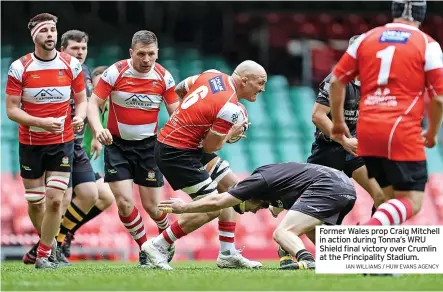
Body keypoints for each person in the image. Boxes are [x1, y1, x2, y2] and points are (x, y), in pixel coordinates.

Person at [142, 61, 267, 270]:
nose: (262, 88)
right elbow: (211, 145)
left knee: (232, 190)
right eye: (260, 82)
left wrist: (190, 115)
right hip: (176, 153)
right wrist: (231, 134)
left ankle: (227, 253)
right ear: (244, 80)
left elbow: (182, 87)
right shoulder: (230, 108)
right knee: (213, 206)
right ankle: (159, 245)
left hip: (185, 145)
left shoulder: (212, 75)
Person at [275, 36, 386, 269]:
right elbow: (317, 115)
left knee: (382, 196)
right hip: (329, 150)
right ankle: (286, 244)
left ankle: (375, 248)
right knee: (302, 196)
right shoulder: (337, 80)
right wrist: (343, 140)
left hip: (354, 149)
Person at [329, 0, 443, 226]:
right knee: (412, 201)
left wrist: (339, 123)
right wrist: (431, 132)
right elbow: (438, 98)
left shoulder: (365, 39)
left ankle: (378, 258)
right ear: (421, 14)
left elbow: (335, 82)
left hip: (368, 131)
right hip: (402, 129)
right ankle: (366, 237)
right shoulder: (427, 44)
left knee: (389, 200)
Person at [87, 30, 179, 268]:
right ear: (131, 53)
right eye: (141, 54)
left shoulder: (164, 77)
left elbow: (177, 115)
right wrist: (98, 130)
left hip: (149, 147)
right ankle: (146, 249)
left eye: (151, 54)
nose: (146, 59)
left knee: (152, 207)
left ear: (157, 53)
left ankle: (165, 232)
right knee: (125, 203)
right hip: (116, 145)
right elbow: (93, 104)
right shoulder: (115, 72)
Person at [158, 162, 357, 270]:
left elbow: (217, 202)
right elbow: (276, 208)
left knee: (282, 232)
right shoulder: (272, 188)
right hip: (345, 187)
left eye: (245, 207)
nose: (252, 211)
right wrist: (285, 253)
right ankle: (362, 257)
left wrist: (184, 208)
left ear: (246, 195)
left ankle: (308, 260)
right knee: (315, 234)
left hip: (328, 186)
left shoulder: (255, 182)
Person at [6, 13, 87, 269]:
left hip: (62, 141)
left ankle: (43, 254)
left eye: (53, 30)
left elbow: (82, 100)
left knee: (55, 199)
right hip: (30, 143)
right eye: (45, 31)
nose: (50, 34)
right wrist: (41, 122)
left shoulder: (71, 65)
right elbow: (11, 110)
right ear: (35, 36)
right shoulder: (20, 67)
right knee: (36, 202)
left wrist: (80, 117)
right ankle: (49, 244)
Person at [60, 66, 115, 259]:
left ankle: (66, 232)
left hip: (82, 162)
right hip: (66, 157)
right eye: (98, 84)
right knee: (69, 200)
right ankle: (54, 241)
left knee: (106, 196)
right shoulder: (84, 106)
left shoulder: (110, 109)